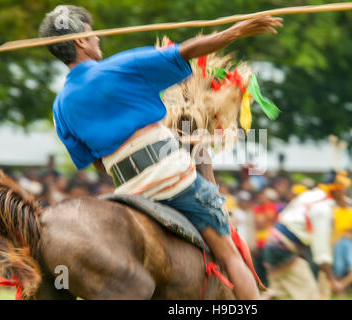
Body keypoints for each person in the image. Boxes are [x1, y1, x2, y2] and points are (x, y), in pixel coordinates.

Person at [40, 5, 283, 300]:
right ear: (80, 41)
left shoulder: (60, 107)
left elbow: (97, 165)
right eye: (92, 35)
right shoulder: (119, 67)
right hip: (173, 177)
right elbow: (187, 51)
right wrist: (237, 31)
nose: (98, 39)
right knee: (230, 254)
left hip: (130, 191)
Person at [261, 170, 351, 300]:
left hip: (272, 246)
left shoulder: (310, 195)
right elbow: (321, 251)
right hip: (283, 250)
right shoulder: (322, 208)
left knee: (278, 294)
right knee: (310, 296)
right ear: (336, 190)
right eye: (343, 190)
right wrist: (332, 280)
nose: (344, 194)